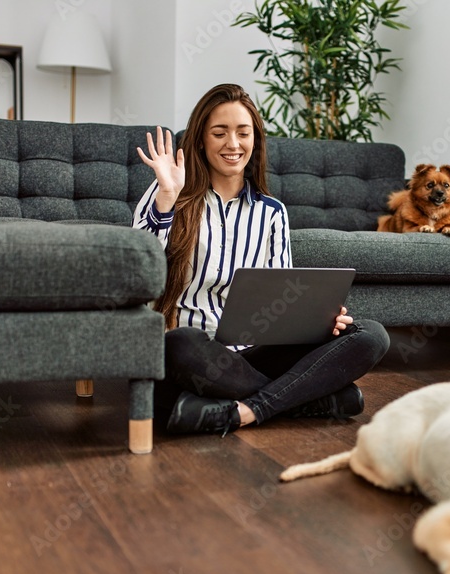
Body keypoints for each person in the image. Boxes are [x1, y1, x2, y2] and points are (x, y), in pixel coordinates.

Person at [132, 83, 390, 436]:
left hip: (251, 355)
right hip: (195, 355)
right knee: (181, 343)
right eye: (219, 133)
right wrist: (166, 198)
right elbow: (136, 271)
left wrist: (318, 320)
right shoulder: (170, 191)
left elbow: (280, 300)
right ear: (201, 140)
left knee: (371, 335)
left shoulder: (272, 213)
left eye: (243, 133)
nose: (233, 144)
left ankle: (244, 411)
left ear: (256, 140)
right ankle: (309, 399)